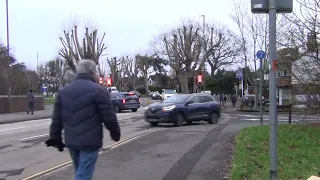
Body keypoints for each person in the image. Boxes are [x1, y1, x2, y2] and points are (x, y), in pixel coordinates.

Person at [45, 59, 121, 180]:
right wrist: (115, 133)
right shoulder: (99, 91)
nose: (97, 75)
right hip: (90, 142)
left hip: (72, 142)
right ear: (92, 72)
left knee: (80, 172)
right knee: (83, 175)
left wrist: (55, 138)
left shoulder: (64, 92)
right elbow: (109, 117)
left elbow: (57, 119)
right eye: (96, 73)